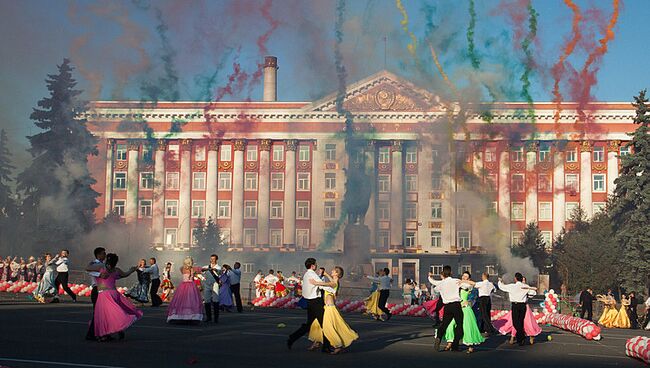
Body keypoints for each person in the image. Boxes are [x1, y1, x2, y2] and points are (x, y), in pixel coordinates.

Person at [86, 253, 141, 342]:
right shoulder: (116, 270)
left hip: (104, 294)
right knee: (113, 313)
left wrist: (98, 266)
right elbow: (125, 274)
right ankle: (115, 330)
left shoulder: (102, 268)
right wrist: (132, 270)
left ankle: (104, 335)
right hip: (114, 293)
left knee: (103, 315)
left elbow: (88, 267)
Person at [307, 267, 358, 354]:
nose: (331, 271)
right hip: (326, 307)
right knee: (318, 324)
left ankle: (338, 345)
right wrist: (326, 274)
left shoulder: (334, 283)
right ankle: (317, 342)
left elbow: (326, 284)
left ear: (336, 274)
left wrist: (315, 282)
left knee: (328, 327)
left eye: (333, 271)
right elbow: (330, 282)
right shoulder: (335, 281)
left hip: (330, 308)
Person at [287, 258, 331, 352]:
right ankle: (326, 347)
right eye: (316, 264)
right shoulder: (312, 274)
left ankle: (292, 338)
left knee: (308, 325)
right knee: (325, 324)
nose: (317, 265)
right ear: (312, 266)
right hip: (316, 302)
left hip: (310, 302)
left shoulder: (306, 274)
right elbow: (321, 285)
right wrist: (333, 286)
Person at [442, 271, 484, 353]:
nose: (464, 277)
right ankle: (449, 343)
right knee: (450, 324)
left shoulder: (468, 285)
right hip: (456, 308)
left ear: (468, 278)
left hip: (465, 309)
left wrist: (464, 282)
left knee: (467, 327)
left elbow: (474, 284)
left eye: (466, 276)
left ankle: (470, 346)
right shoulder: (456, 284)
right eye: (463, 276)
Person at [494, 277, 540, 345]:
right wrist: (501, 282)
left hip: (525, 307)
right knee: (514, 322)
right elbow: (505, 287)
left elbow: (532, 293)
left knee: (528, 323)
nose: (523, 281)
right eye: (522, 280)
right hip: (516, 306)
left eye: (524, 280)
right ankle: (513, 337)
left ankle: (530, 336)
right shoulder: (516, 287)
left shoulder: (526, 287)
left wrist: (530, 289)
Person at [432, 266, 463, 352]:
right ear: (451, 272)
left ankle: (438, 338)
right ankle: (455, 345)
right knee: (459, 325)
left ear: (443, 273)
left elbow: (435, 290)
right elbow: (467, 286)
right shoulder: (456, 281)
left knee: (444, 324)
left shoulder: (441, 283)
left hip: (447, 306)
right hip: (456, 305)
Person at [167, 257, 203, 323]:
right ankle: (191, 316)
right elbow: (201, 270)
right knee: (191, 300)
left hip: (183, 285)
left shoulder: (182, 268)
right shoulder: (193, 269)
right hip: (191, 285)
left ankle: (178, 316)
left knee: (181, 300)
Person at [85, 247, 106, 340]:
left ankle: (104, 333)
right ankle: (92, 333)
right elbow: (89, 271)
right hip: (97, 289)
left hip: (103, 289)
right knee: (97, 313)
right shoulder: (93, 263)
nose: (105, 255)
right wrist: (99, 274)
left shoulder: (103, 264)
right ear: (98, 255)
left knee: (104, 313)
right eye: (103, 253)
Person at [201, 254, 220, 323]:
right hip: (207, 285)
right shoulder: (206, 266)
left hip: (215, 285)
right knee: (207, 301)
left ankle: (216, 318)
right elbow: (201, 270)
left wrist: (213, 269)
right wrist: (206, 269)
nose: (212, 260)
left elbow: (219, 272)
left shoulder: (218, 267)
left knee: (216, 300)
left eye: (213, 259)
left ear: (216, 260)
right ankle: (208, 317)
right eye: (211, 259)